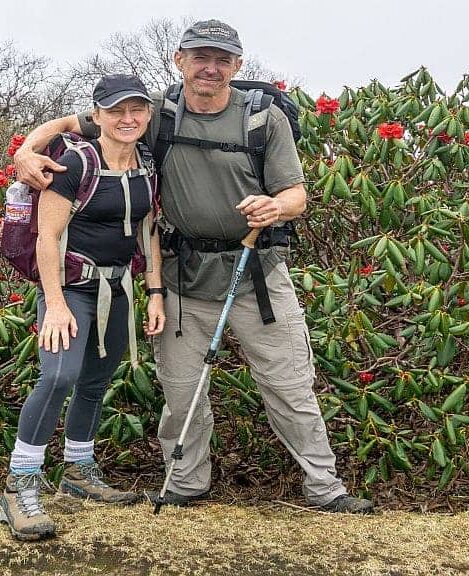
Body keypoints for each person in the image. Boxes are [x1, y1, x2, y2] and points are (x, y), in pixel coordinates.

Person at [14, 20, 372, 514]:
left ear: (238, 66)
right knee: (182, 393)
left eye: (222, 59)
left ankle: (324, 488)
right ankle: (186, 483)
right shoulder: (151, 113)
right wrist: (26, 153)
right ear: (179, 60)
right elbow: (67, 125)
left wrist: (278, 207)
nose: (211, 67)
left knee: (289, 387)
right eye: (200, 57)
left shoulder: (263, 119)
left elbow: (297, 193)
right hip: (182, 279)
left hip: (257, 276)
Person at [0, 74, 165, 541]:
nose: (127, 119)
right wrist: (53, 304)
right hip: (70, 288)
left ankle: (77, 472)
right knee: (58, 375)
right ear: (98, 115)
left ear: (148, 113)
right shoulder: (75, 160)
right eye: (116, 111)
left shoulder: (147, 162)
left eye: (136, 109)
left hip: (120, 288)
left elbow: (148, 230)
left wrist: (154, 293)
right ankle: (20, 484)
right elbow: (47, 237)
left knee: (95, 380)